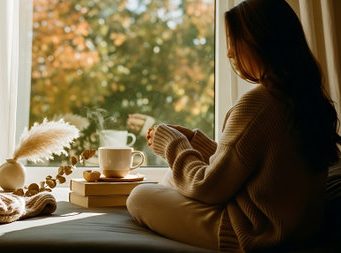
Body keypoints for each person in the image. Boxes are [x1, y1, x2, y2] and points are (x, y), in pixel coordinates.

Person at [126, 0, 341, 252]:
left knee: (140, 196)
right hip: (298, 228)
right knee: (172, 178)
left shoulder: (260, 102)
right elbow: (254, 167)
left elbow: (208, 188)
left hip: (253, 233)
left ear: (259, 42)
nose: (229, 53)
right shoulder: (307, 98)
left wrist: (174, 145)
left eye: (234, 41)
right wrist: (195, 143)